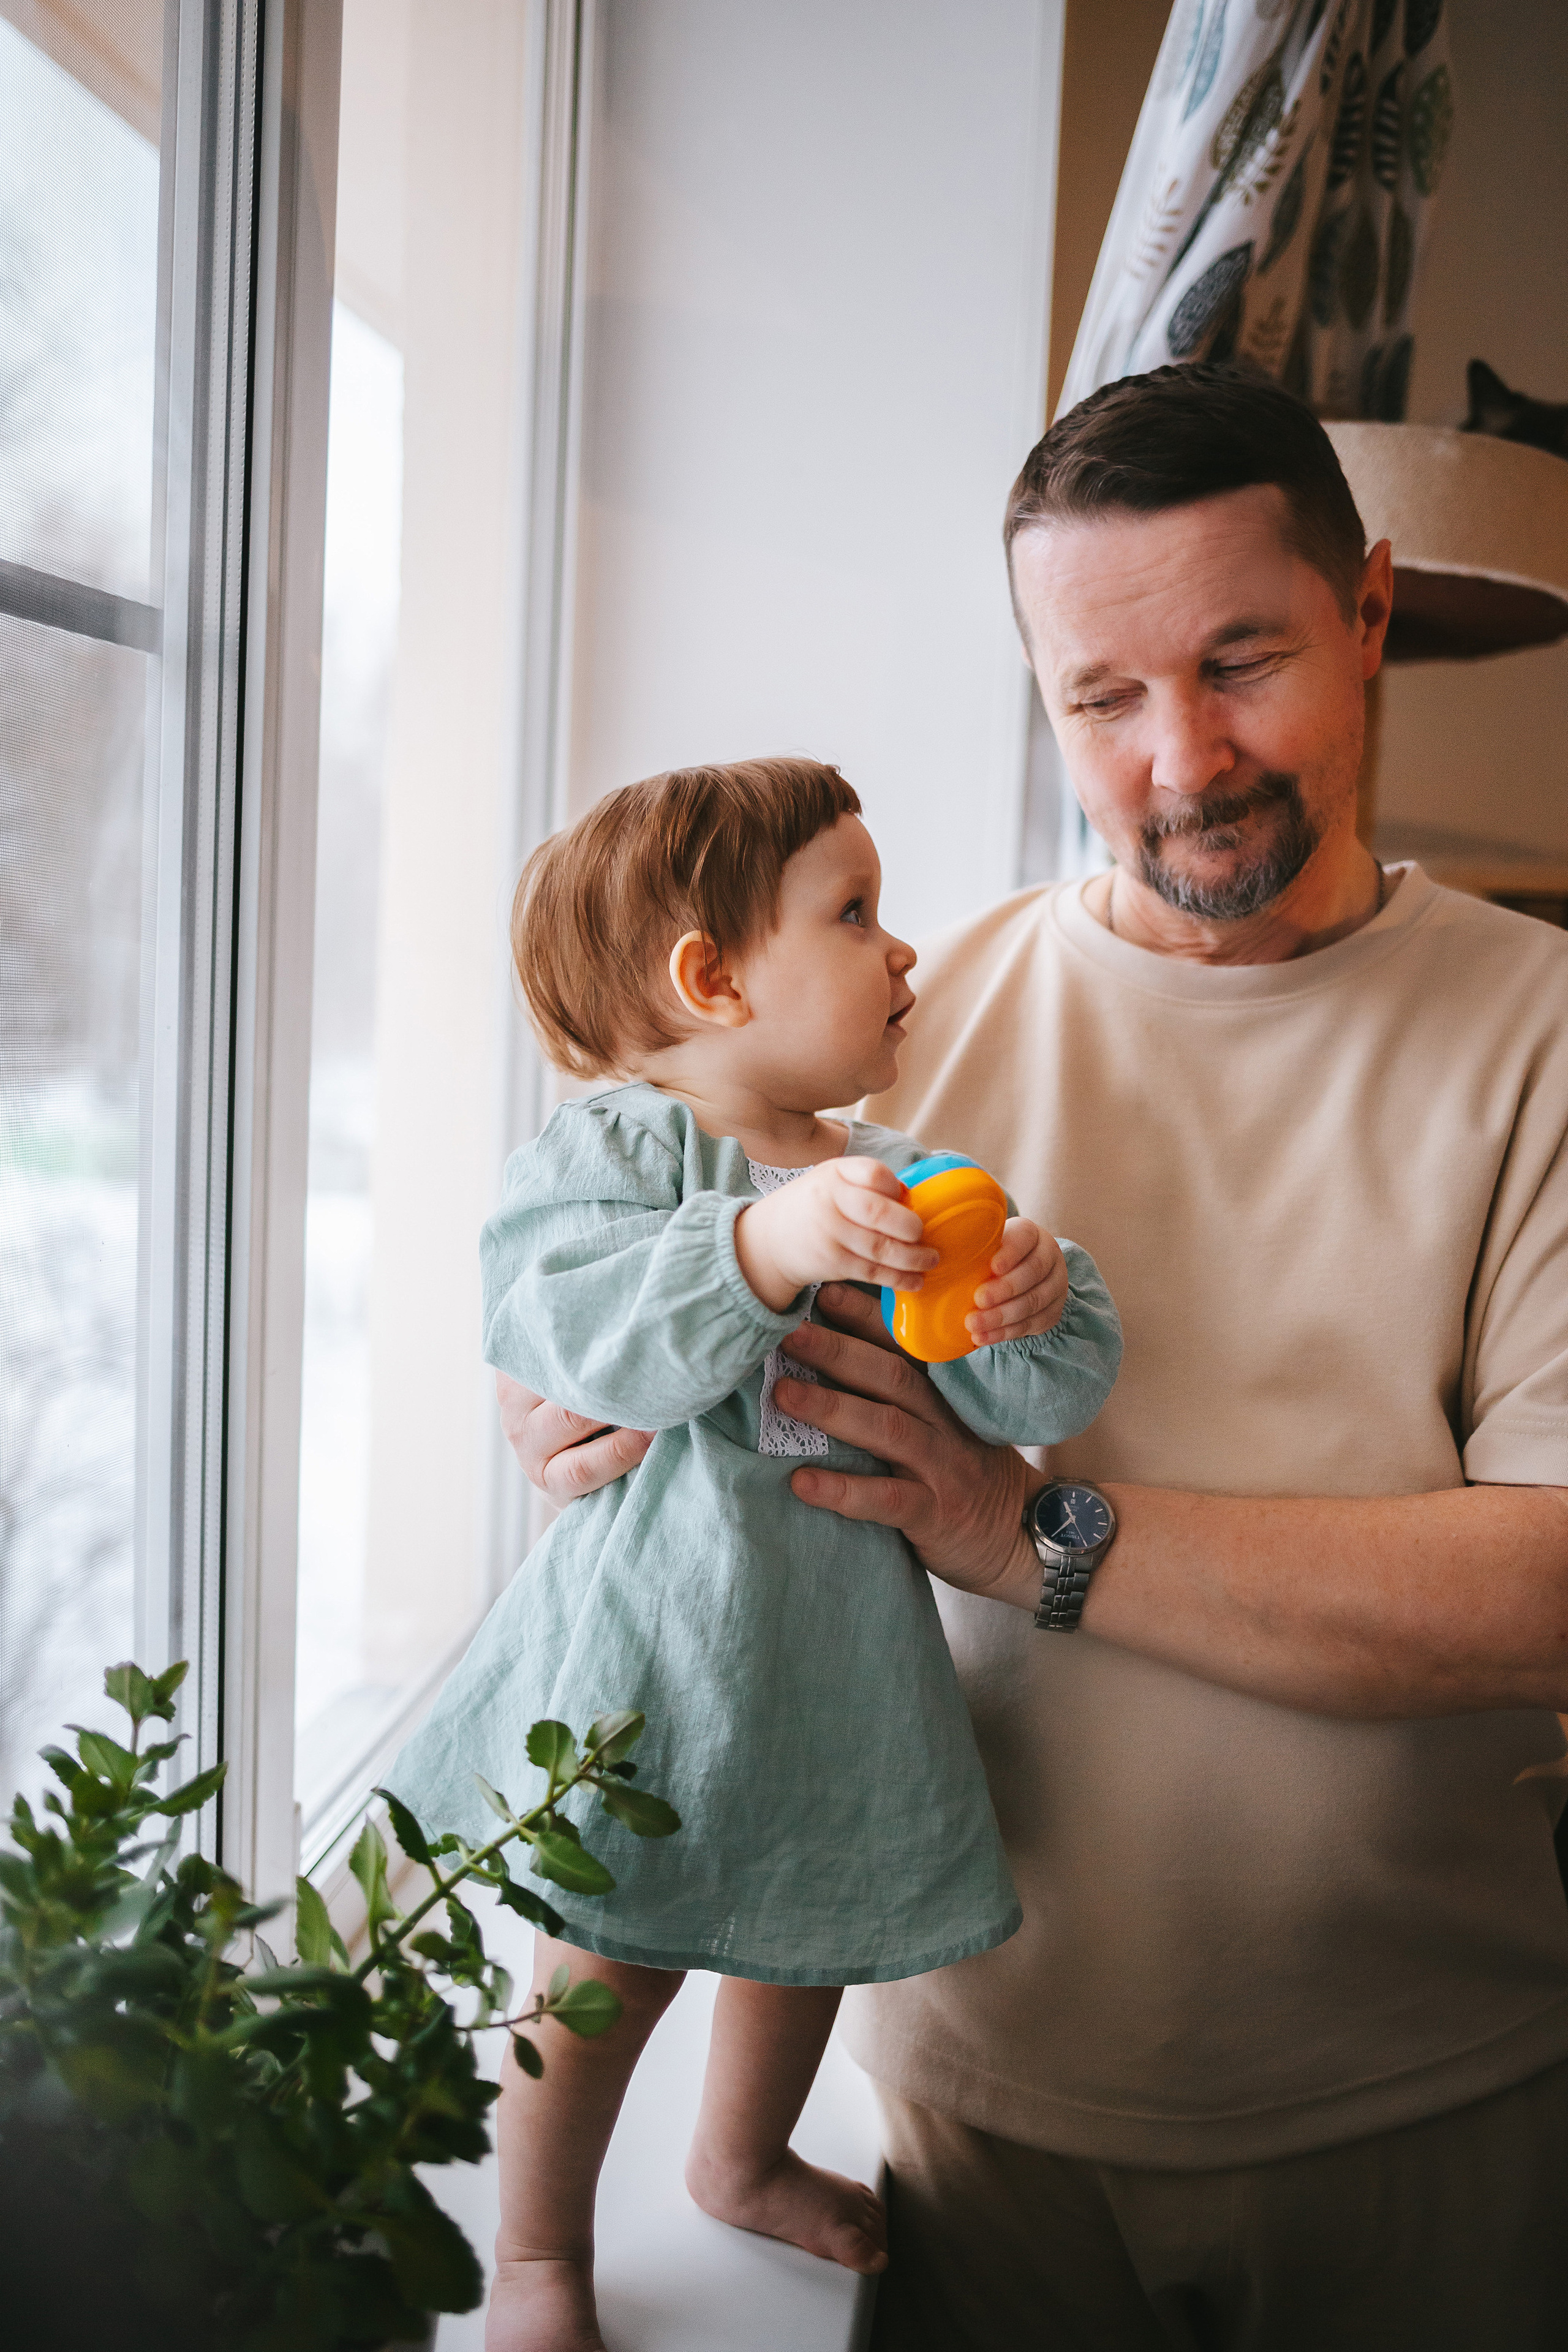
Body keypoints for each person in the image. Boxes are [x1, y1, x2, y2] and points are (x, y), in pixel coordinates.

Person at [504, 366, 1568, 2350]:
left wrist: (1027, 1537)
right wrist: (562, 1402)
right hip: (977, 2124)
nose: (1182, 759)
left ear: (1370, 611)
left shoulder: (1546, 1032)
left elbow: (1551, 1586)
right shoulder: (899, 1036)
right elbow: (617, 1247)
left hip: (1431, 2106)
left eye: (1241, 661)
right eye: (1103, 696)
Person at [388, 757, 1123, 2352]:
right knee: (597, 1969)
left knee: (812, 1938)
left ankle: (739, 2159)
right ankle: (536, 2252)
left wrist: (1033, 1300)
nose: (902, 947)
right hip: (650, 1668)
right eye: (854, 912)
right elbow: (566, 1328)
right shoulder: (622, 1155)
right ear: (712, 979)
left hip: (840, 1664)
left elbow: (1033, 1407)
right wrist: (758, 1244)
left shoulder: (903, 1174)